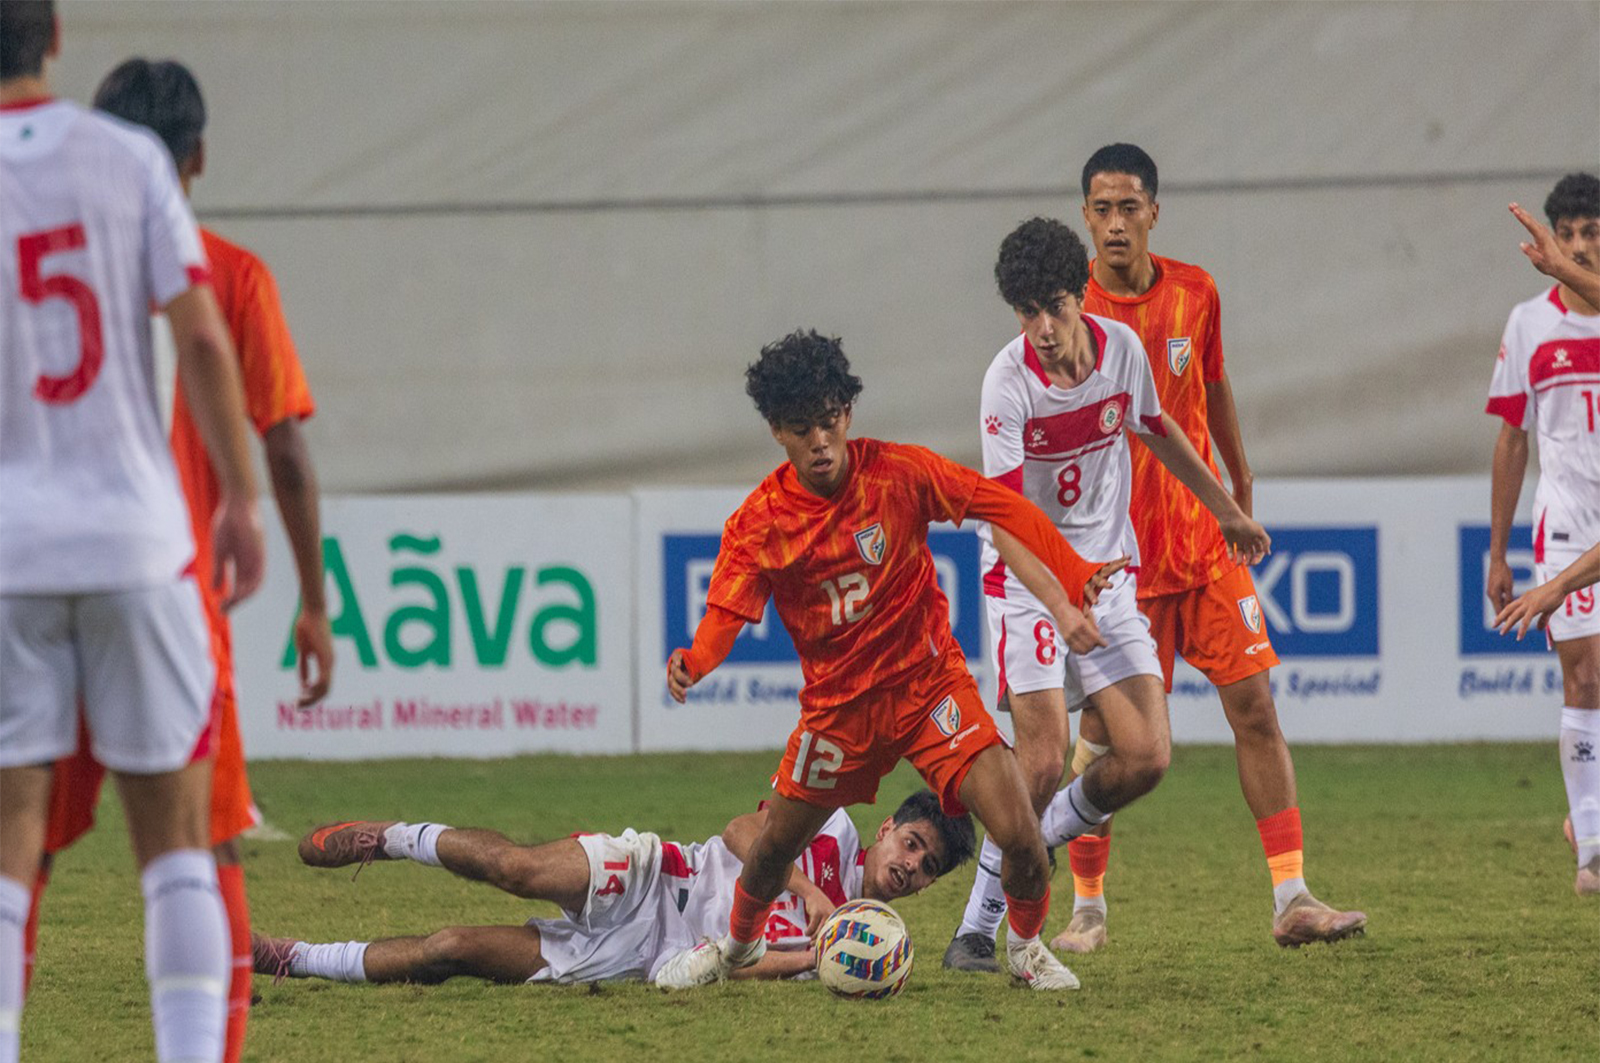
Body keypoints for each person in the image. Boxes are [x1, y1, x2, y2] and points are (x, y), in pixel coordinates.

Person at [20, 57, 335, 1063]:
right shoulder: (227, 274)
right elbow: (281, 443)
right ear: (193, 155)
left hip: (22, 575)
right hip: (165, 594)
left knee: (12, 859)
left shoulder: (30, 233)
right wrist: (311, 594)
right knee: (197, 852)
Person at [655, 330, 1126, 992]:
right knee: (772, 848)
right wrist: (697, 660)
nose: (821, 441)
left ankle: (1025, 950)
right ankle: (733, 950)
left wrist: (1072, 570)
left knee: (1020, 828)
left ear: (847, 413)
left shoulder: (898, 474)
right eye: (802, 429)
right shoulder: (760, 522)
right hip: (839, 712)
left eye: (829, 421)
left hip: (930, 689)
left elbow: (1002, 505)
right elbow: (726, 614)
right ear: (777, 431)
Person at [944, 213, 1285, 971]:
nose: (1041, 328)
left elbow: (1160, 431)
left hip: (1108, 579)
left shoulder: (1122, 351)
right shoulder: (1006, 383)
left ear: (1079, 297)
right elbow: (1004, 521)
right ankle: (976, 928)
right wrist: (1059, 601)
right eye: (1026, 312)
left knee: (1147, 756)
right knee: (1041, 761)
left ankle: (1032, 843)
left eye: (1054, 307)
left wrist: (1227, 510)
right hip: (1027, 583)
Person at [254, 790, 974, 986]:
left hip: (645, 958)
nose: (911, 866)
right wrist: (809, 892)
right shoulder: (833, 827)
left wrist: (812, 959)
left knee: (451, 949)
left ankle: (293, 957)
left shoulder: (864, 945)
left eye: (927, 868)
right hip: (657, 877)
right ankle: (389, 838)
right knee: (517, 870)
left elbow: (747, 966)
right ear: (886, 829)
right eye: (912, 844)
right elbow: (739, 832)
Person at [1485, 173, 1600, 898]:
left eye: (1593, 233)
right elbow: (1511, 437)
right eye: (1568, 234)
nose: (1579, 246)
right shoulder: (1529, 323)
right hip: (1565, 523)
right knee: (1585, 677)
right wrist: (1498, 551)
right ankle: (1591, 845)